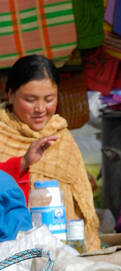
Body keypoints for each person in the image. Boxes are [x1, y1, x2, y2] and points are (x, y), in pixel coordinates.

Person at [0, 54, 101, 249]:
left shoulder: (62, 137)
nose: (40, 108)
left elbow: (83, 203)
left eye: (49, 99)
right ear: (10, 94)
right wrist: (23, 163)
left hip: (64, 248)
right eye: (30, 99)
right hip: (11, 250)